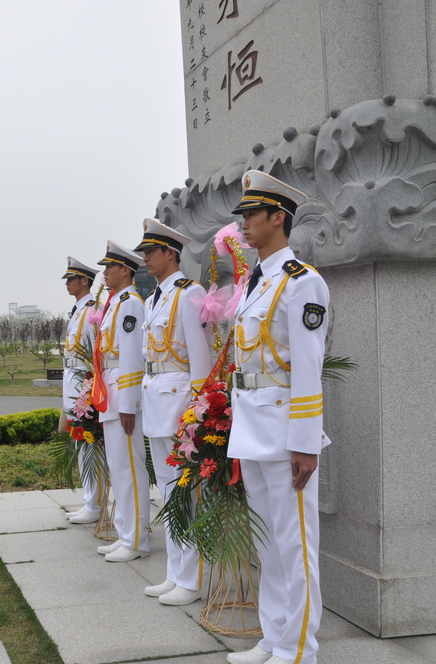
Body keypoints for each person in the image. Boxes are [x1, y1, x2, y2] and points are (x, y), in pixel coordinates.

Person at [225, 171, 329, 664]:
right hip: (253, 427)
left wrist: (306, 443)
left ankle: (298, 651)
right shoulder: (257, 282)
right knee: (268, 544)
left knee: (295, 547)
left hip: (287, 433)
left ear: (277, 218)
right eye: (242, 216)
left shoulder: (302, 282)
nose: (243, 224)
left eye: (251, 215)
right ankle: (273, 637)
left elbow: (308, 368)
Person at [136, 218, 213, 606]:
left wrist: (197, 414)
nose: (146, 258)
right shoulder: (154, 298)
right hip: (156, 398)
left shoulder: (189, 293)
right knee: (167, 492)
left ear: (171, 253)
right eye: (145, 252)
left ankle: (193, 578)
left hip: (180, 403)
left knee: (187, 493)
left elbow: (201, 360)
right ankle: (176, 572)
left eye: (151, 251)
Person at [92, 242, 150, 563]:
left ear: (124, 270)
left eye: (108, 267)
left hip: (122, 394)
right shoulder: (116, 303)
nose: (104, 273)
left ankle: (137, 538)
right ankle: (126, 531)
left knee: (129, 467)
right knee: (118, 466)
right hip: (111, 392)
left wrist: (128, 403)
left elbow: (130, 357)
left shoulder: (130, 303)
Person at [60, 257, 103, 525]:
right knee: (80, 440)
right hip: (71, 377)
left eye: (71, 279)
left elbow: (94, 352)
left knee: (89, 441)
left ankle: (95, 503)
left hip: (82, 379)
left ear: (84, 281)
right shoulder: (79, 309)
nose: (67, 283)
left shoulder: (91, 309)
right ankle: (90, 500)